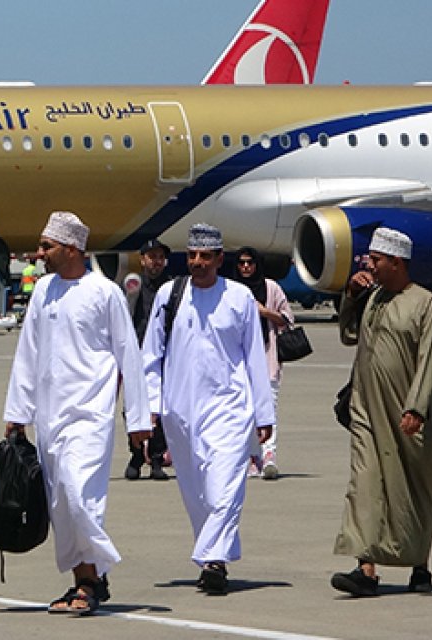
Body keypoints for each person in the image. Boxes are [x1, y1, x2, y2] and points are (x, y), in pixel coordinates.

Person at [4, 212, 151, 617]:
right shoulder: (44, 291)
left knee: (77, 493)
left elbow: (130, 357)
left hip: (90, 416)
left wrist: (139, 421)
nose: (39, 253)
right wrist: (18, 412)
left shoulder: (105, 292)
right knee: (62, 506)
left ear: (71, 249)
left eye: (46, 246)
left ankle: (95, 573)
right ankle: (84, 582)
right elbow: (27, 354)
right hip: (50, 417)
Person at [142, 223, 274, 595]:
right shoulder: (171, 294)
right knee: (197, 491)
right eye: (192, 256)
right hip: (179, 411)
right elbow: (151, 356)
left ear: (219, 259)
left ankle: (214, 559)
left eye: (205, 257)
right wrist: (150, 407)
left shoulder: (240, 297)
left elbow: (253, 358)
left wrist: (263, 414)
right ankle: (210, 560)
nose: (197, 262)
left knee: (225, 486)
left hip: (230, 407)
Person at [330, 227, 432, 597]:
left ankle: (420, 567)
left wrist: (417, 408)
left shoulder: (426, 303)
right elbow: (348, 335)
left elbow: (430, 360)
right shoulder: (373, 298)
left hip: (411, 417)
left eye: (376, 261)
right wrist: (351, 295)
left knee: (414, 490)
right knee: (363, 484)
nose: (370, 266)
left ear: (396, 262)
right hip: (367, 410)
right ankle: (365, 568)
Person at [232, 247, 292, 480]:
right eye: (241, 263)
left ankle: (269, 456)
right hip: (239, 362)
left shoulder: (271, 288)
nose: (246, 267)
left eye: (250, 263)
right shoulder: (232, 290)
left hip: (267, 360)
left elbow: (287, 319)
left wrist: (265, 312)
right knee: (243, 412)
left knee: (268, 410)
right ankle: (251, 457)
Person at [124, 238, 172, 481]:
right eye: (151, 257)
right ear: (142, 260)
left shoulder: (172, 288)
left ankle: (155, 458)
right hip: (136, 354)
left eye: (160, 257)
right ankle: (135, 453)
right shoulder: (134, 286)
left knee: (161, 409)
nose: (156, 261)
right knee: (133, 407)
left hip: (164, 355)